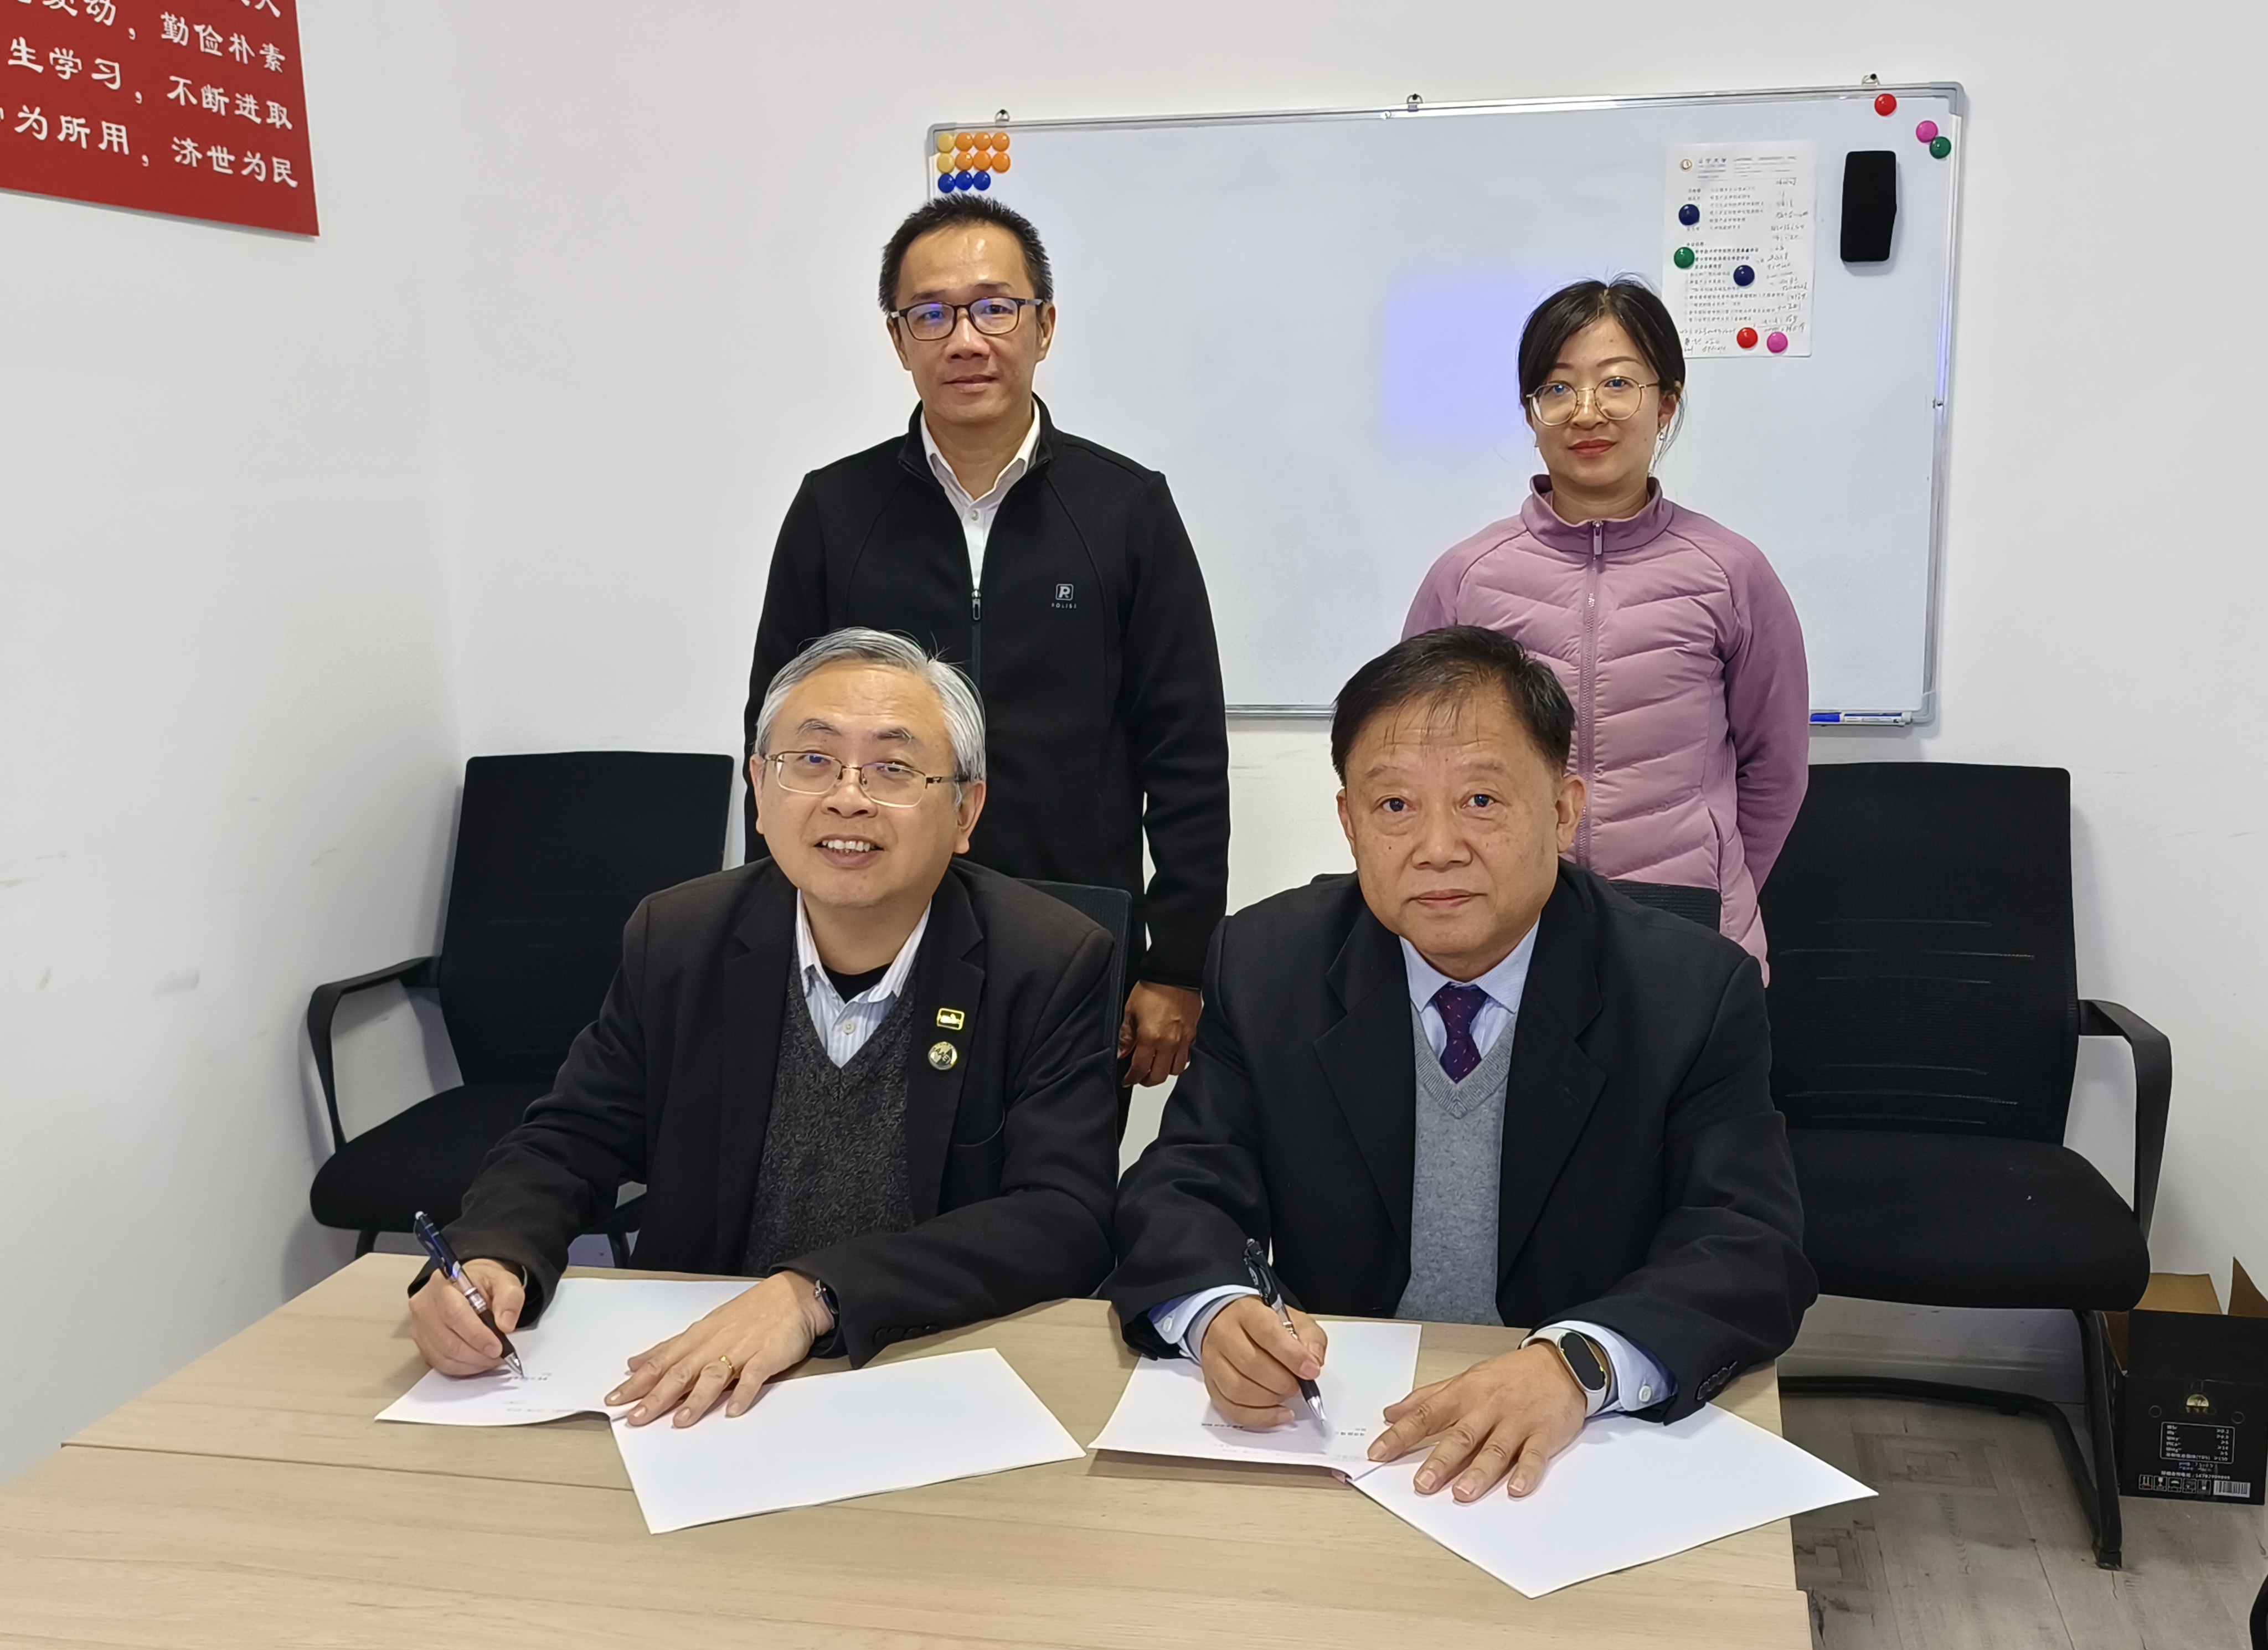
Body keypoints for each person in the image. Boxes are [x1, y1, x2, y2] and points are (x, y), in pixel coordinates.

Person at [1106, 626, 1814, 1502]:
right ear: (1349, 823)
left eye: (1482, 799)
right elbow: (1183, 1184)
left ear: (1564, 809)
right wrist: (1215, 1311)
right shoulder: (1265, 963)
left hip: (1579, 1451)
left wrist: (1577, 1363)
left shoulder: (1691, 990)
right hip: (1346, 1432)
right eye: (1394, 806)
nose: (1437, 847)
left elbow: (1749, 1244)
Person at [409, 628, 1121, 1427]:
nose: (847, 798)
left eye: (893, 768)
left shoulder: (1050, 960)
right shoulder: (679, 938)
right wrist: (492, 1253)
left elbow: (1065, 1216)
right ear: (759, 788)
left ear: (966, 811)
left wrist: (814, 1295)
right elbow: (568, 1139)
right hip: (701, 1384)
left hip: (930, 1371)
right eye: (811, 761)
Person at [745, 194, 1230, 1092]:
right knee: (876, 1197)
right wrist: (770, 937)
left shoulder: (1126, 511)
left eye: (993, 306)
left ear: (1043, 325)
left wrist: (1179, 963)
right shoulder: (832, 512)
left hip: (1075, 927)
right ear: (898, 339)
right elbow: (778, 747)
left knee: (1055, 1206)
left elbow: (1188, 750)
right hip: (872, 930)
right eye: (931, 313)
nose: (964, 339)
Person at [1402, 276, 1809, 968]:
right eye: (1557, 390)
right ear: (1531, 416)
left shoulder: (1731, 573)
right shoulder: (1467, 578)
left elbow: (1774, 768)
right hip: (1511, 922)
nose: (1586, 413)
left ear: (1666, 403)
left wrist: (1717, 885)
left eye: (1617, 383)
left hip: (1689, 923)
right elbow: (1415, 759)